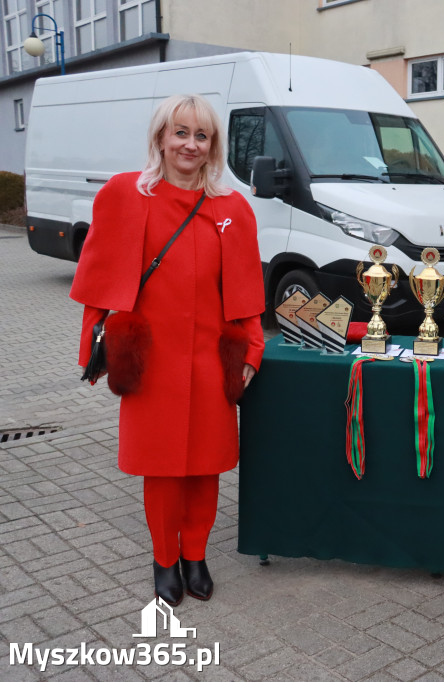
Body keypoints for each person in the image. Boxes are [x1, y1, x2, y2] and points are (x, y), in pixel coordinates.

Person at [70, 94, 265, 606]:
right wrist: (95, 346)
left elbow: (246, 297)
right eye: (180, 132)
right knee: (162, 469)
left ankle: (195, 555)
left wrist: (251, 353)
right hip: (151, 359)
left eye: (202, 136)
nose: (191, 145)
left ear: (213, 146)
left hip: (209, 357)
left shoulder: (232, 208)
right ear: (161, 137)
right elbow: (100, 281)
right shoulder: (125, 195)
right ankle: (164, 561)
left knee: (205, 465)